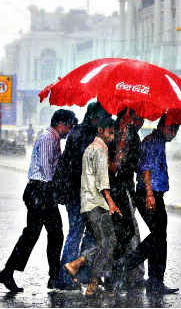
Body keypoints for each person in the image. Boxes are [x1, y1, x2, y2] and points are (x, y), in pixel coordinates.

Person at [0, 109, 77, 293]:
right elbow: (48, 171)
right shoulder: (49, 138)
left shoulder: (52, 138)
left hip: (39, 192)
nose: (69, 130)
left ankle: (8, 272)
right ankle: (53, 277)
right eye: (69, 126)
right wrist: (58, 189)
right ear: (60, 124)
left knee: (34, 235)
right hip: (41, 191)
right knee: (54, 234)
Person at [113, 114, 180, 295]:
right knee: (158, 235)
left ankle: (155, 280)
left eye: (176, 129)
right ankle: (126, 264)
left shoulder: (158, 141)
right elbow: (146, 168)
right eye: (171, 128)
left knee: (160, 237)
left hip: (154, 194)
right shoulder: (152, 142)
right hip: (148, 195)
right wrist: (149, 193)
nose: (173, 133)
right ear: (162, 126)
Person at [52, 102, 111, 290]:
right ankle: (66, 277)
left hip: (77, 192)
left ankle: (78, 273)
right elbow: (83, 168)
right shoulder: (86, 136)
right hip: (79, 194)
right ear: (95, 118)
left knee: (86, 233)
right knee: (78, 233)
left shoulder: (78, 132)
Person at [64, 116, 122, 296]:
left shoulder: (89, 148)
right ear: (100, 131)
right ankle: (91, 282)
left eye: (113, 133)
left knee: (104, 241)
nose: (111, 136)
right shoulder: (101, 149)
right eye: (110, 133)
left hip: (87, 202)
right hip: (97, 202)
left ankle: (79, 265)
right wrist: (111, 203)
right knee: (109, 241)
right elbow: (102, 180)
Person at [108, 108, 145, 289]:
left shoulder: (131, 137)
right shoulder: (112, 132)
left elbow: (133, 164)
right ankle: (117, 272)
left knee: (124, 232)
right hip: (114, 190)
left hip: (123, 189)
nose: (141, 123)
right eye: (138, 119)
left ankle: (125, 273)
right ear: (127, 117)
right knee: (124, 231)